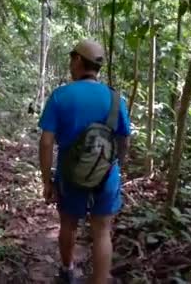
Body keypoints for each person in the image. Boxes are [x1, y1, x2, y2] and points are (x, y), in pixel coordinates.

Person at [38, 39, 131, 284]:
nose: (70, 61)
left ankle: (67, 271)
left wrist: (47, 181)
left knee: (68, 224)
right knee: (102, 232)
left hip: (70, 175)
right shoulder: (115, 99)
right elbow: (124, 141)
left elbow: (46, 142)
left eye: (72, 57)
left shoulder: (61, 96)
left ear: (78, 60)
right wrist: (114, 168)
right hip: (106, 175)